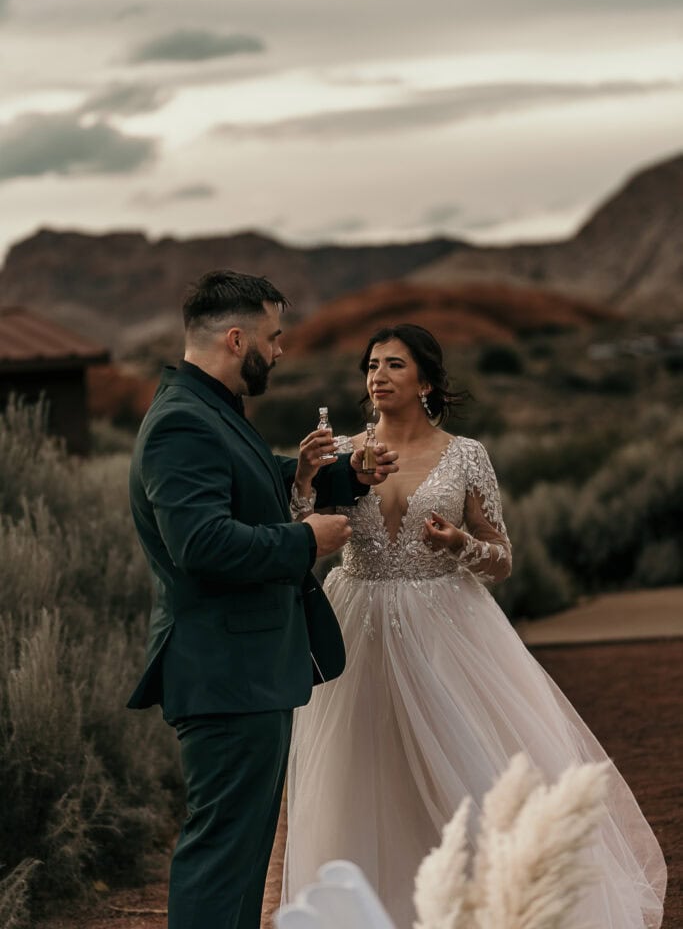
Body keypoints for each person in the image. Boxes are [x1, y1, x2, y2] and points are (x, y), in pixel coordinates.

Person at [284, 323, 666, 929]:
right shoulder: (346, 452)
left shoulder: (466, 456)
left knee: (463, 773)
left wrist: (460, 541)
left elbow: (503, 557)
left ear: (427, 381)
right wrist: (306, 478)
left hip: (444, 629)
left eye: (394, 366)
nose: (377, 376)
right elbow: (307, 538)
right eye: (371, 366)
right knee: (361, 775)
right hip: (356, 623)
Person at [126, 270, 398, 929]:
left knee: (242, 857)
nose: (279, 352)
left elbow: (252, 478)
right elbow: (201, 543)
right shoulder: (182, 424)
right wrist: (305, 540)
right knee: (223, 858)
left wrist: (338, 473)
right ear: (236, 336)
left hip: (243, 670)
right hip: (225, 672)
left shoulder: (209, 408)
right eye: (273, 339)